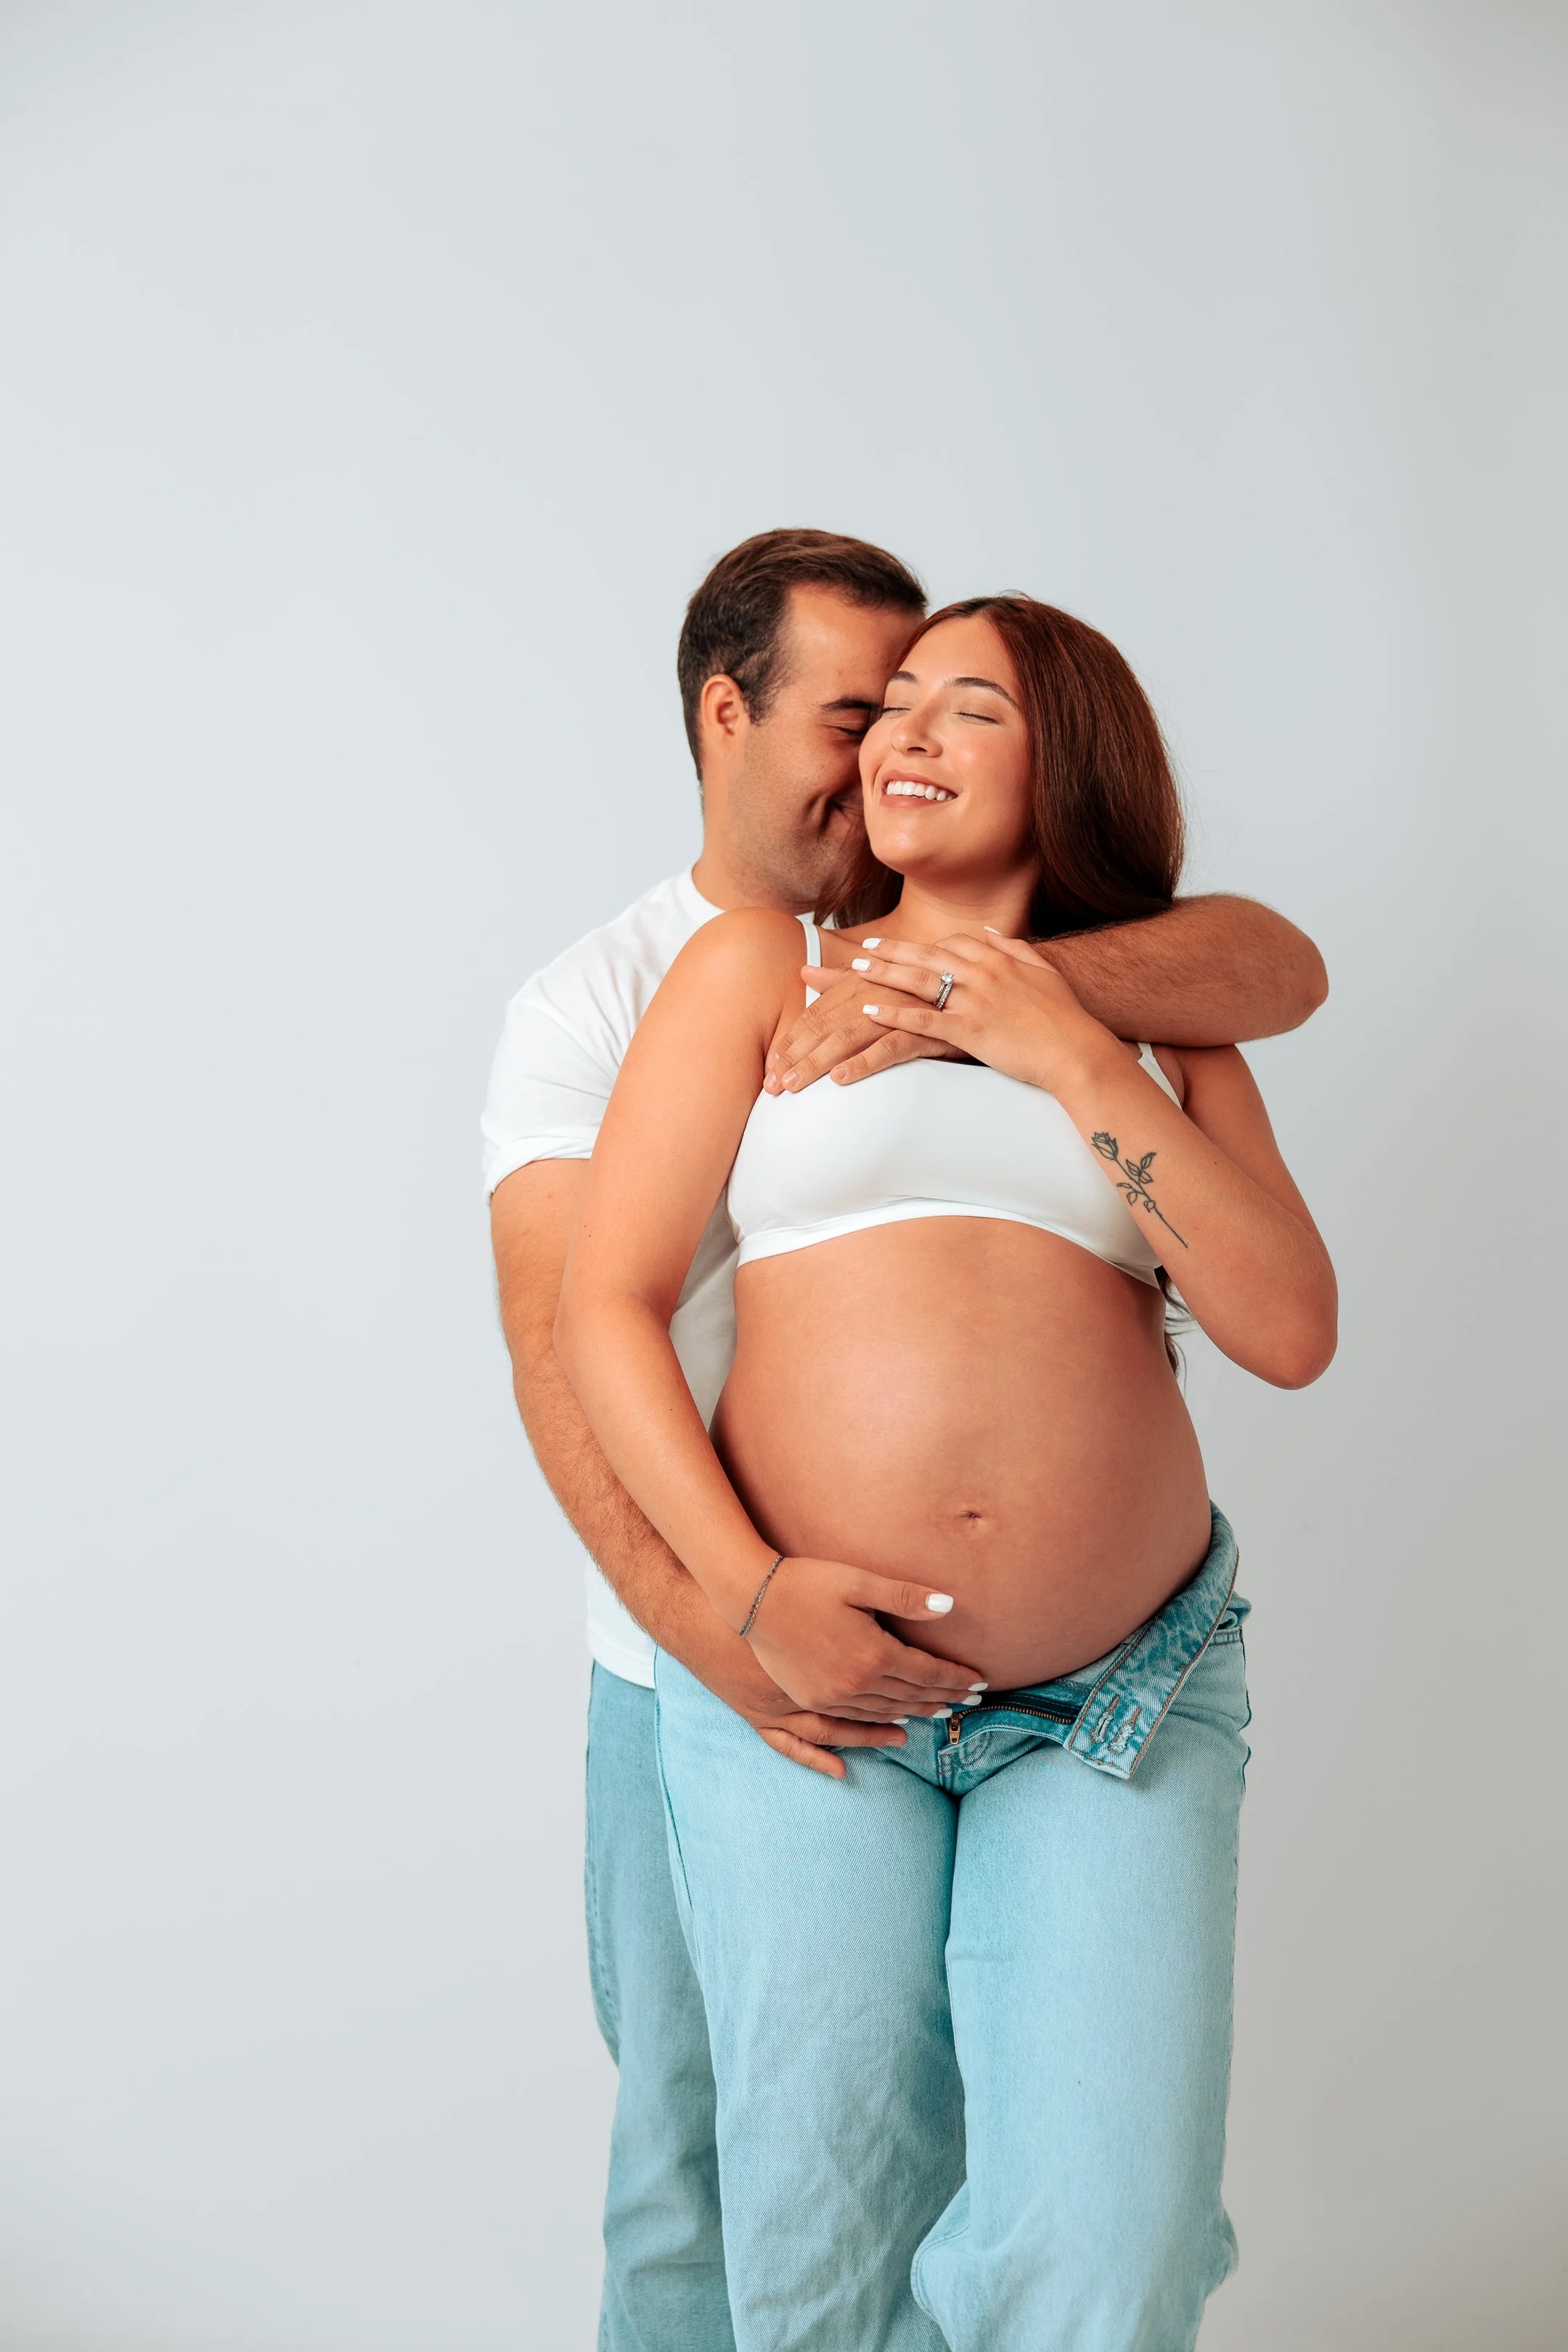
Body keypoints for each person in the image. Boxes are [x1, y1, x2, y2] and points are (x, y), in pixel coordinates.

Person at [483, 534, 1328, 2352]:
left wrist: (1065, 1041)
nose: (903, 737)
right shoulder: (753, 968)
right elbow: (599, 1311)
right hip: (805, 1695)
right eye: (885, 708)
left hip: (1113, 1694)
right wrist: (747, 1592)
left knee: (1111, 2248)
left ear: (1069, 761)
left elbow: (1288, 1329)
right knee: (810, 2243)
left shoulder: (1154, 1021)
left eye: (967, 706)